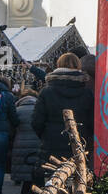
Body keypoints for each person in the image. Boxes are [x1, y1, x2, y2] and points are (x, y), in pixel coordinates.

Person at [32, 52, 95, 180]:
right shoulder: (87, 93)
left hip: (51, 147)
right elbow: (92, 122)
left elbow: (36, 122)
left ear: (58, 65)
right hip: (79, 146)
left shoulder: (47, 92)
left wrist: (46, 136)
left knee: (51, 184)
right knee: (78, 182)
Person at [10, 87, 41, 194]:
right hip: (36, 143)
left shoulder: (17, 109)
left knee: (24, 174)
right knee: (34, 173)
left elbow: (12, 127)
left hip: (20, 143)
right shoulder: (38, 109)